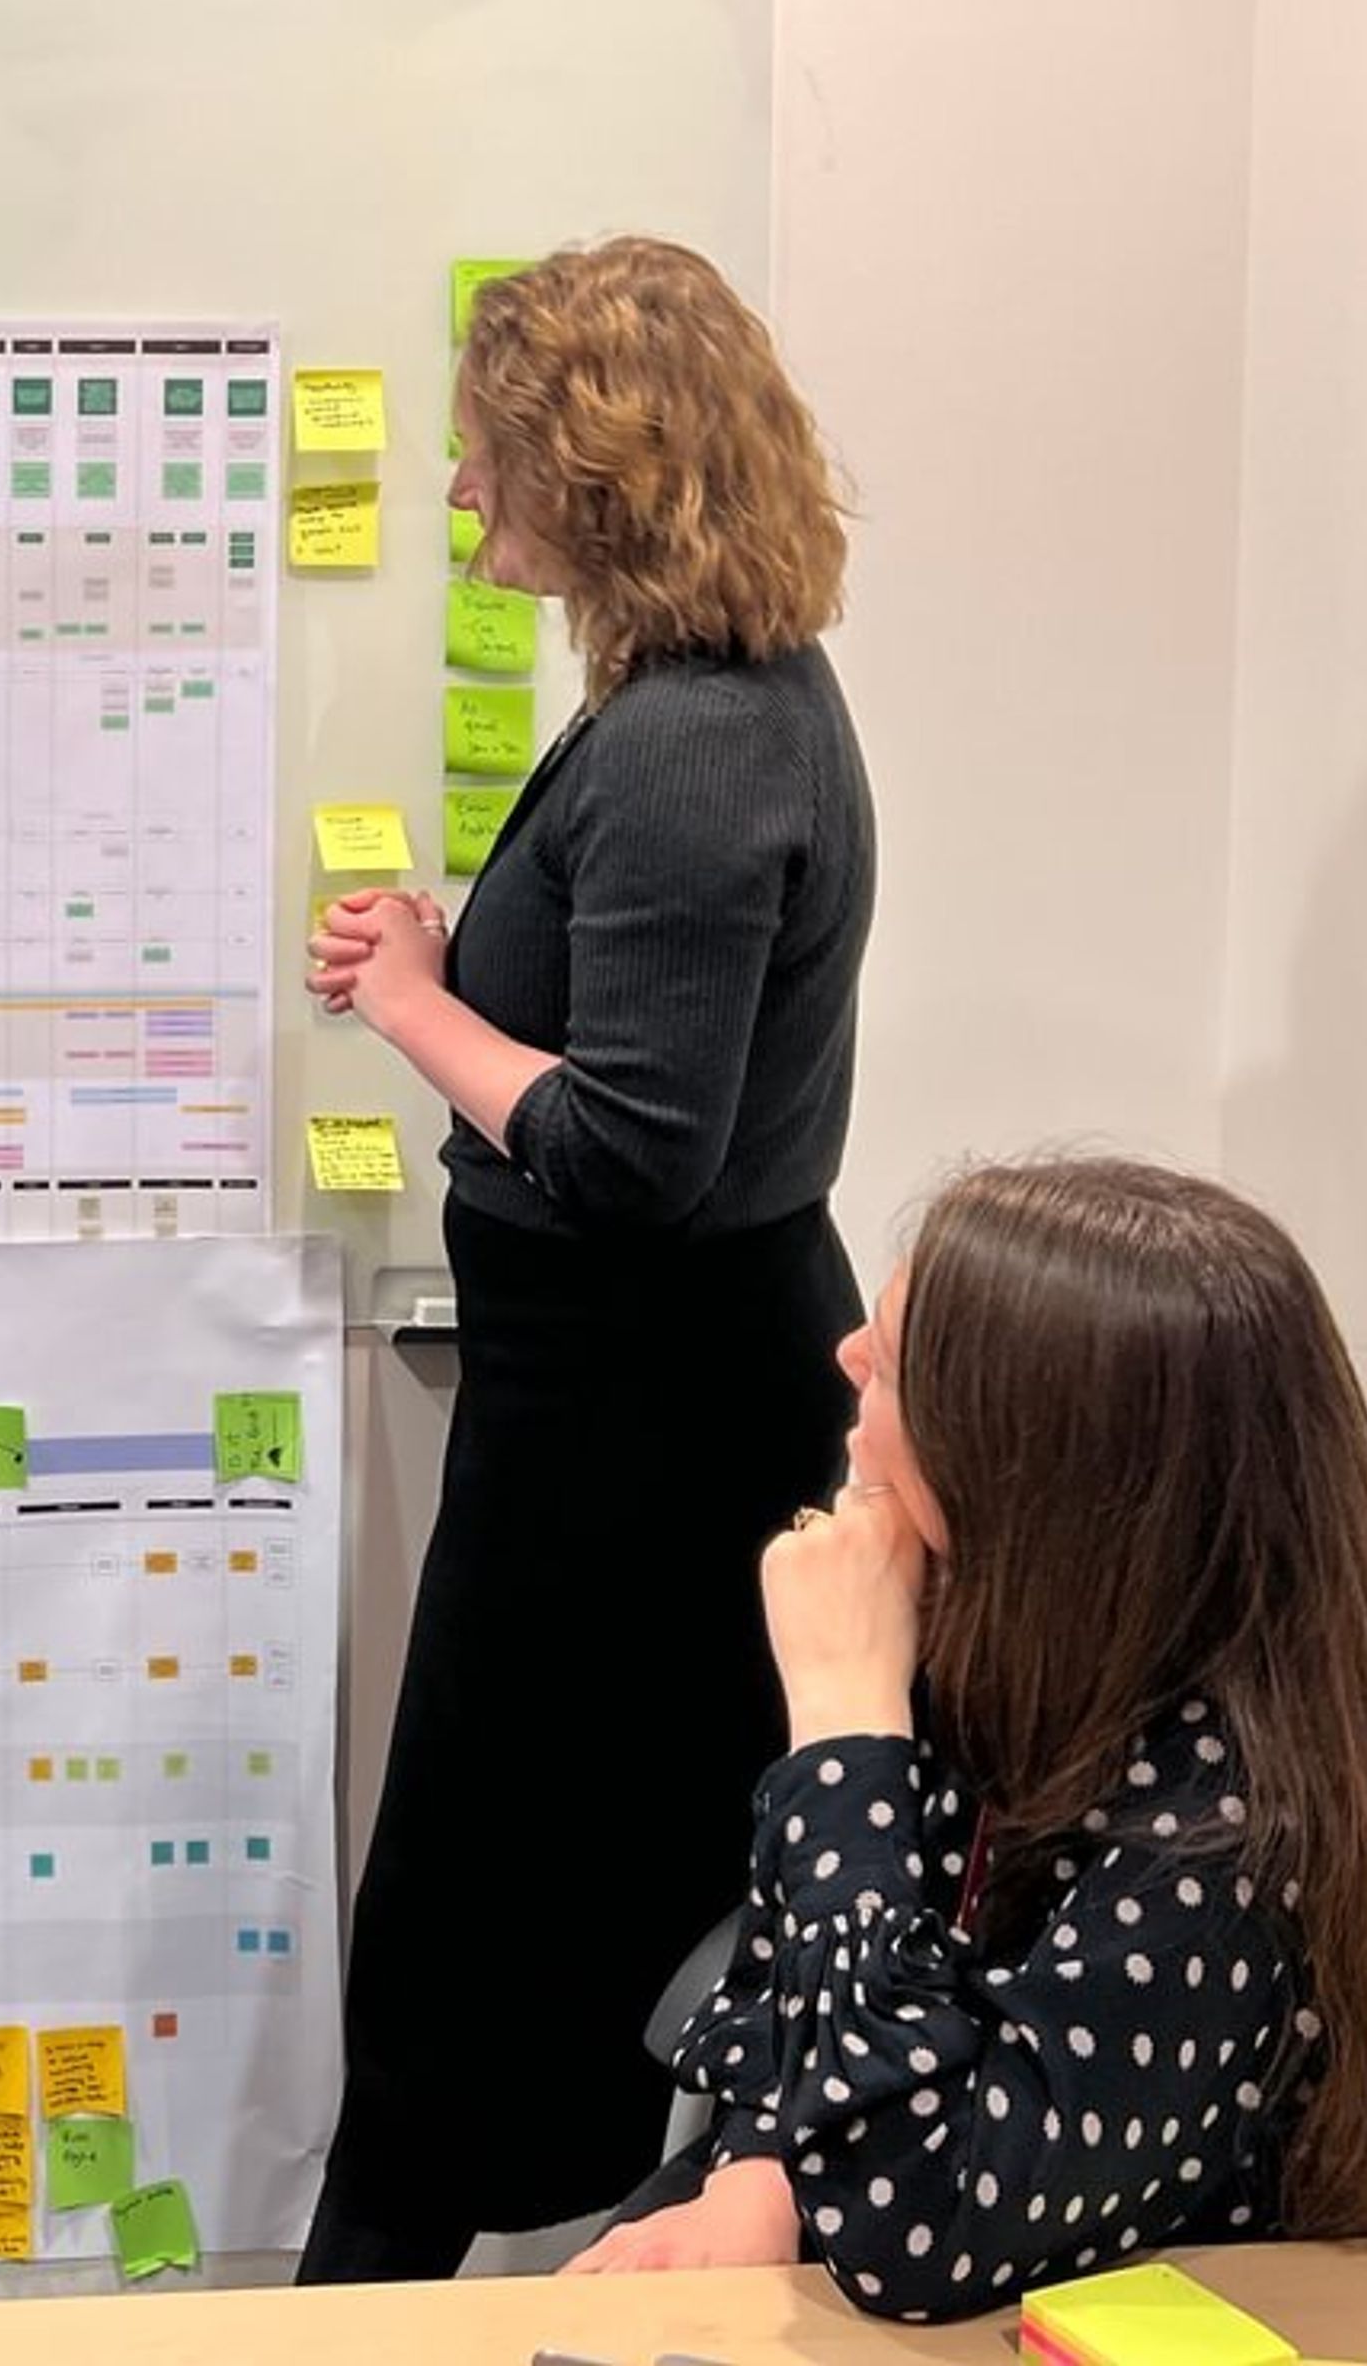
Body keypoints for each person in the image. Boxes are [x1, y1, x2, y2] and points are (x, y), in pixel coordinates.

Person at [567, 1156, 1367, 2321]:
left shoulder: (1241, 1830)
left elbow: (915, 2222)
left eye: (901, 1357)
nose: (849, 1358)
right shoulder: (998, 1640)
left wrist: (842, 1726)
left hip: (1122, 2308)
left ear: (1031, 1467)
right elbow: (798, 1980)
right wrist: (761, 2169)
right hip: (915, 2254)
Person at [297, 236, 873, 2280]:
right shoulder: (705, 709)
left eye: (485, 462)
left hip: (639, 1452)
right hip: (633, 1419)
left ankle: (363, 2322)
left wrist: (409, 1001)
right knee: (519, 1959)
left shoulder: (699, 748)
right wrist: (451, 977)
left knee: (464, 1957)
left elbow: (635, 1152)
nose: (461, 499)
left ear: (599, 476)